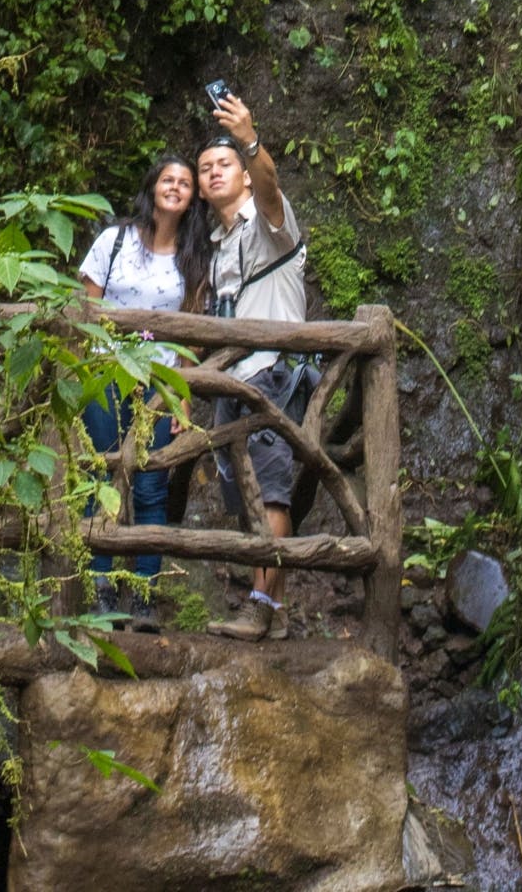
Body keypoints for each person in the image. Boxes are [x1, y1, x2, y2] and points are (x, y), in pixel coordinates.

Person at [77, 153, 210, 620]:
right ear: (153, 186)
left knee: (151, 486)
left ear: (193, 198)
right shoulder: (113, 241)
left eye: (185, 183)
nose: (175, 187)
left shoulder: (194, 258)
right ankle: (101, 592)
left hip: (158, 381)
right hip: (103, 374)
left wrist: (183, 398)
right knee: (99, 480)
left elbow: (189, 334)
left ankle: (145, 596)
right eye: (168, 179)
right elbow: (85, 312)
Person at [194, 91, 306, 641]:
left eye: (223, 165)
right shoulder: (217, 246)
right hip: (230, 380)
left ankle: (262, 605)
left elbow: (269, 186)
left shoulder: (268, 224)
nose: (214, 174)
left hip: (269, 371)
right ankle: (273, 611)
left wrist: (249, 139)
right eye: (204, 169)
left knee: (270, 489)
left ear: (242, 176)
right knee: (246, 495)